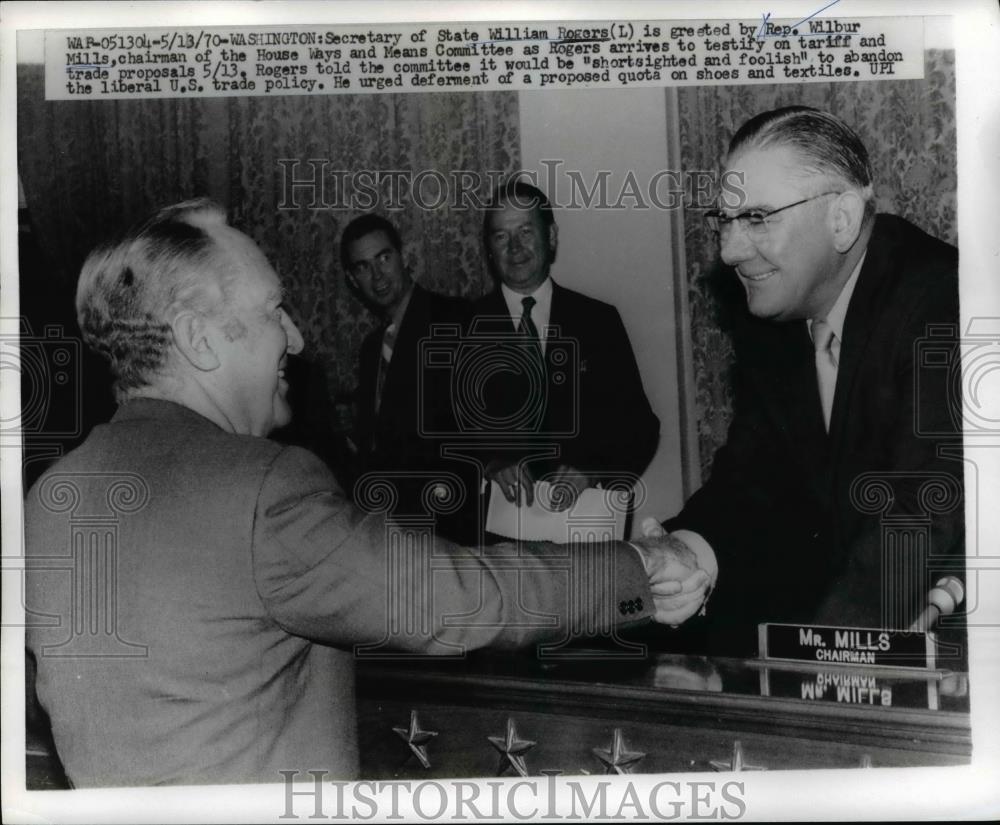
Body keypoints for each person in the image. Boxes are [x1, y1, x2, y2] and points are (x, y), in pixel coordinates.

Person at [23, 198, 701, 787]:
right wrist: (642, 569)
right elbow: (460, 597)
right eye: (272, 311)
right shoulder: (261, 486)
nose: (296, 335)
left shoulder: (49, 496)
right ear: (200, 340)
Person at [653, 106, 965, 655]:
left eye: (757, 218)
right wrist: (686, 553)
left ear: (841, 218)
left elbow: (917, 510)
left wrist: (822, 663)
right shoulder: (774, 315)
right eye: (724, 220)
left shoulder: (940, 299)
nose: (728, 251)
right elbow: (752, 479)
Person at [466, 179, 660, 514]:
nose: (514, 247)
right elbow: (438, 433)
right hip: (492, 536)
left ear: (551, 236)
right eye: (501, 236)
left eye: (526, 231)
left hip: (584, 526)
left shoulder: (598, 322)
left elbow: (640, 429)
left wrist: (596, 473)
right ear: (488, 249)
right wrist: (490, 465)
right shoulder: (462, 327)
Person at [340, 213, 474, 540]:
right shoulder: (372, 349)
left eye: (384, 258)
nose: (378, 275)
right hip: (390, 526)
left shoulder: (454, 320)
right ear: (353, 279)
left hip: (448, 527)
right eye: (363, 266)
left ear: (405, 257)